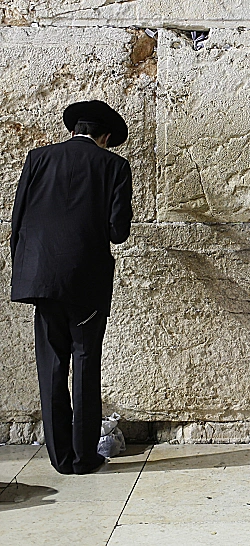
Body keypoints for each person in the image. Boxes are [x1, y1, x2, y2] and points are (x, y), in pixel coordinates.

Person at [10, 100, 133, 474]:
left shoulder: (38, 158)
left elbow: (18, 221)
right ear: (105, 137)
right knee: (85, 364)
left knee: (51, 367)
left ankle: (60, 458)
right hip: (86, 283)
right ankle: (84, 457)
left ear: (74, 129)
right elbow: (118, 232)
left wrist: (29, 272)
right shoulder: (114, 166)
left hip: (42, 280)